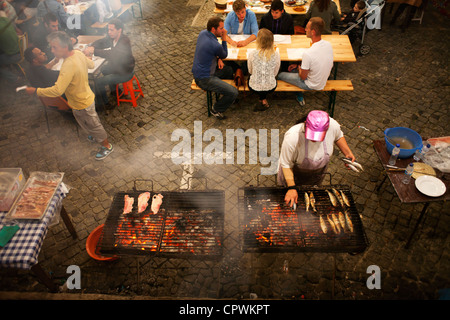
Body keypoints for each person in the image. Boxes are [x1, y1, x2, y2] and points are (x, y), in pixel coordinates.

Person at [25, 31, 114, 160]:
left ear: (64, 47)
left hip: (82, 102)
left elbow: (57, 91)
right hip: (79, 100)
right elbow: (91, 64)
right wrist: (87, 57)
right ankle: (94, 135)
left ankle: (106, 146)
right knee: (85, 122)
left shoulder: (67, 66)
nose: (52, 50)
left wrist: (35, 91)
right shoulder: (78, 53)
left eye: (54, 47)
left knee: (94, 124)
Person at [277, 110, 356, 207]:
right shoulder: (292, 136)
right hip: (294, 174)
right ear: (306, 124)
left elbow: (338, 136)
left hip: (316, 176)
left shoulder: (332, 125)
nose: (314, 140)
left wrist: (347, 153)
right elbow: (286, 164)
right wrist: (292, 187)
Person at [277, 17, 334, 106]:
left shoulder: (308, 54)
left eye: (307, 27)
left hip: (309, 84)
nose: (305, 29)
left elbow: (303, 77)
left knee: (280, 75)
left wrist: (300, 68)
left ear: (313, 32)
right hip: (322, 80)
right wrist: (298, 66)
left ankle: (297, 94)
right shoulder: (328, 45)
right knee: (293, 69)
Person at [192, 16, 238, 120]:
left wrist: (218, 59)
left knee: (229, 70)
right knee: (234, 92)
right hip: (205, 78)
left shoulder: (203, 33)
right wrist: (224, 39)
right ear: (213, 29)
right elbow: (224, 54)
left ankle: (226, 96)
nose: (223, 30)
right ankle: (216, 109)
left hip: (201, 71)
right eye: (221, 28)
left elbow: (212, 52)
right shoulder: (215, 45)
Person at [84, 18, 135, 109]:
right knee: (104, 69)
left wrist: (94, 51)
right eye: (108, 30)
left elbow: (112, 54)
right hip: (118, 67)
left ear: (119, 30)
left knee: (98, 82)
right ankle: (115, 91)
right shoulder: (113, 37)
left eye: (111, 30)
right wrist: (92, 46)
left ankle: (104, 104)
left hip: (125, 71)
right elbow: (102, 42)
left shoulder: (124, 41)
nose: (109, 32)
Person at [248, 28, 280, 111]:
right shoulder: (276, 54)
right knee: (268, 79)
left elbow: (250, 71)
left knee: (251, 77)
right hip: (271, 87)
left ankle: (261, 99)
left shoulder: (252, 53)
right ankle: (263, 99)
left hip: (254, 87)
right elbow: (275, 73)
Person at [0, 6, 22, 84]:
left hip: (14, 55)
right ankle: (7, 66)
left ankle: (14, 78)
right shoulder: (5, 19)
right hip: (21, 48)